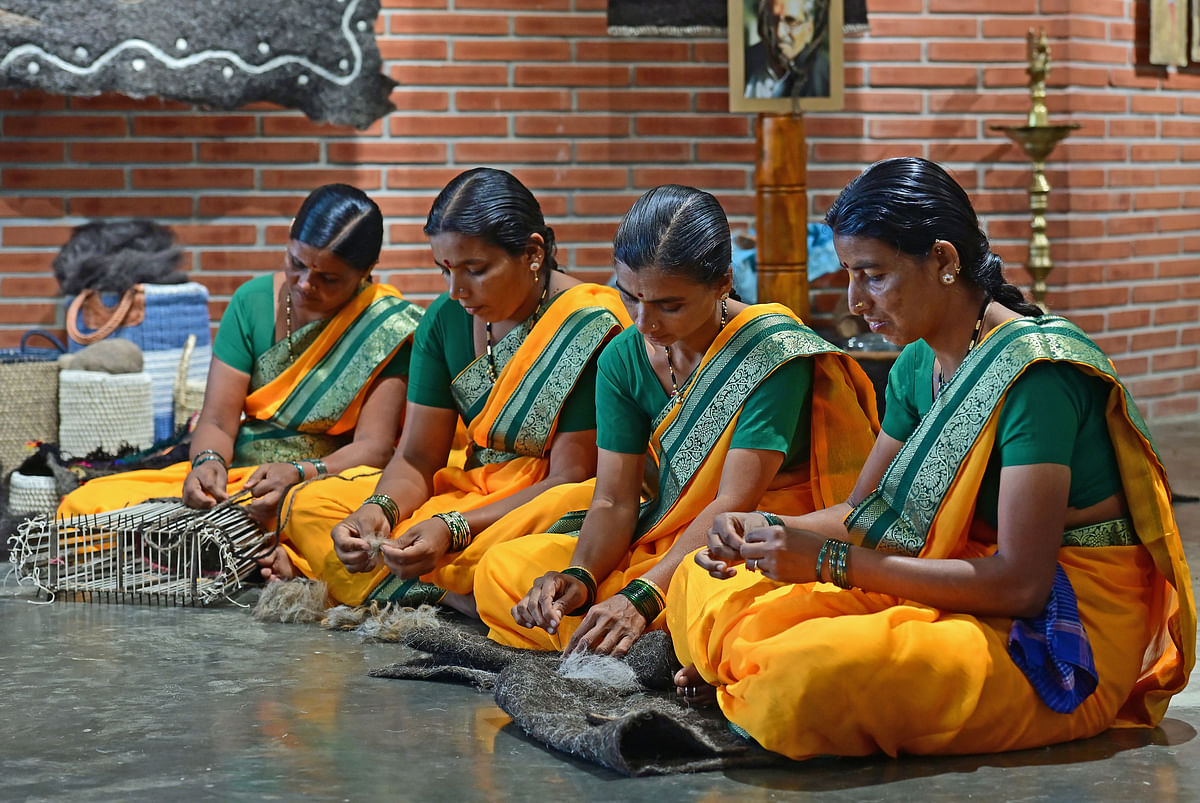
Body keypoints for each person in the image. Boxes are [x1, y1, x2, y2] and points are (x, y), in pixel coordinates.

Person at [668, 157, 1195, 760]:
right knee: (701, 582)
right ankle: (740, 674)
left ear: (944, 261)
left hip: (1055, 621)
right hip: (950, 572)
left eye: (872, 275)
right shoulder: (920, 360)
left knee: (798, 680)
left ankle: (740, 677)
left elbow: (1023, 584)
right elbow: (870, 511)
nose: (854, 300)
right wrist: (766, 532)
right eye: (848, 273)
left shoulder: (1037, 377)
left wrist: (832, 564)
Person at [475, 184, 878, 654]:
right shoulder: (624, 358)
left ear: (723, 282)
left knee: (718, 606)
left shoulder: (770, 352)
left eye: (670, 305)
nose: (645, 321)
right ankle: (648, 641)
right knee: (504, 569)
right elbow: (613, 501)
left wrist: (642, 596)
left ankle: (651, 635)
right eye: (630, 297)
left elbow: (732, 502)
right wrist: (580, 578)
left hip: (754, 536)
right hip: (667, 529)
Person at [274, 168, 630, 613]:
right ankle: (457, 594)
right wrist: (378, 511)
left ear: (533, 253)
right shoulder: (445, 319)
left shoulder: (589, 326)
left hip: (541, 508)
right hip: (469, 494)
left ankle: (446, 587)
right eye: (445, 269)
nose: (456, 289)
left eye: (475, 270)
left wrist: (453, 528)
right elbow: (418, 457)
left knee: (517, 556)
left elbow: (571, 477)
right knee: (311, 505)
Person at [58, 184, 422, 567]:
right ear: (290, 235)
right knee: (84, 508)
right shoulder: (251, 302)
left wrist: (297, 473)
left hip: (327, 480)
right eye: (296, 263)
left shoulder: (388, 327)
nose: (305, 284)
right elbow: (217, 418)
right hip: (245, 476)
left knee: (328, 521)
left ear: (366, 271)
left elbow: (375, 448)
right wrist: (207, 464)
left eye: (329, 279)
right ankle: (259, 550)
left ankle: (262, 549)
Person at [744, 0, 831, 99]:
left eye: (791, 21)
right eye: (772, 19)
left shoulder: (825, 79)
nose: (779, 33)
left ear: (809, 29)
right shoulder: (743, 62)